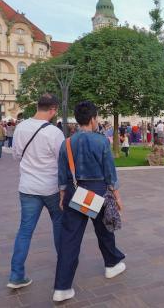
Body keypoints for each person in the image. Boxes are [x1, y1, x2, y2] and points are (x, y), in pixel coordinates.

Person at [54, 101, 125, 302]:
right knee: (105, 231)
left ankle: (62, 287)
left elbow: (61, 172)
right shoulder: (101, 141)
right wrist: (117, 197)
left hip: (74, 192)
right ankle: (111, 264)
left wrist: (61, 194)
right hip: (97, 192)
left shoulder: (67, 142)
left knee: (69, 239)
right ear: (93, 119)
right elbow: (109, 172)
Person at [7, 93, 65, 289]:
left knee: (24, 231)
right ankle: (64, 269)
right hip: (50, 187)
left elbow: (16, 155)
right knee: (59, 226)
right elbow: (62, 160)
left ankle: (16, 275)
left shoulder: (21, 127)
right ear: (53, 109)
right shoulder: (54, 132)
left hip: (28, 186)